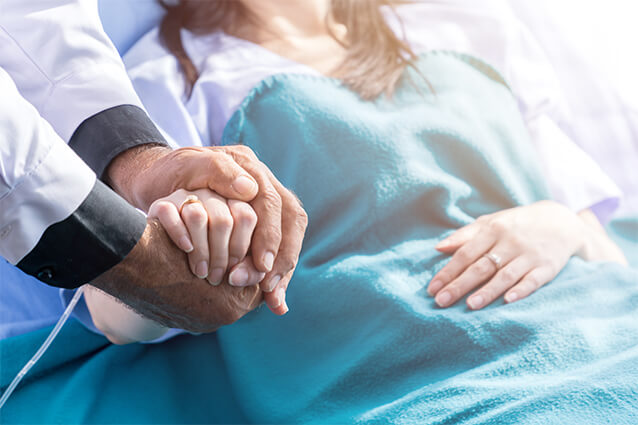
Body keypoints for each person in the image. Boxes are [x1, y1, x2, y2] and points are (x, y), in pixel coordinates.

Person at [69, 0, 638, 423]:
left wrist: (556, 224)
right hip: (405, 380)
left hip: (593, 327)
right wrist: (183, 233)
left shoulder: (471, 25)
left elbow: (600, 239)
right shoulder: (164, 81)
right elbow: (119, 314)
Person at [0, 0, 308, 334]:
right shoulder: (175, 67)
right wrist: (158, 249)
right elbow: (112, 311)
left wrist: (140, 162)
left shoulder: (374, 28)